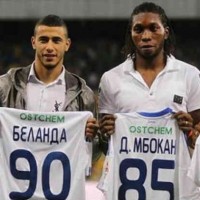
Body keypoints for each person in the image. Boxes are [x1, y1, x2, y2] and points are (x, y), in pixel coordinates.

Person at [98, 2, 200, 199]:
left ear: (166, 32)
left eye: (153, 28)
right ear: (131, 33)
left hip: (180, 190)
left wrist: (190, 129)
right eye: (139, 29)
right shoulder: (111, 78)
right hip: (127, 189)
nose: (146, 36)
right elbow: (106, 144)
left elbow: (198, 131)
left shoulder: (190, 75)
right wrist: (105, 132)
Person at [0, 14, 100, 199]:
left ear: (67, 44)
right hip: (14, 190)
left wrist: (91, 137)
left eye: (56, 40)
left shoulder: (83, 94)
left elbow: (90, 155)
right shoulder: (5, 86)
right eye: (43, 40)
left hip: (60, 191)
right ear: (33, 42)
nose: (49, 47)